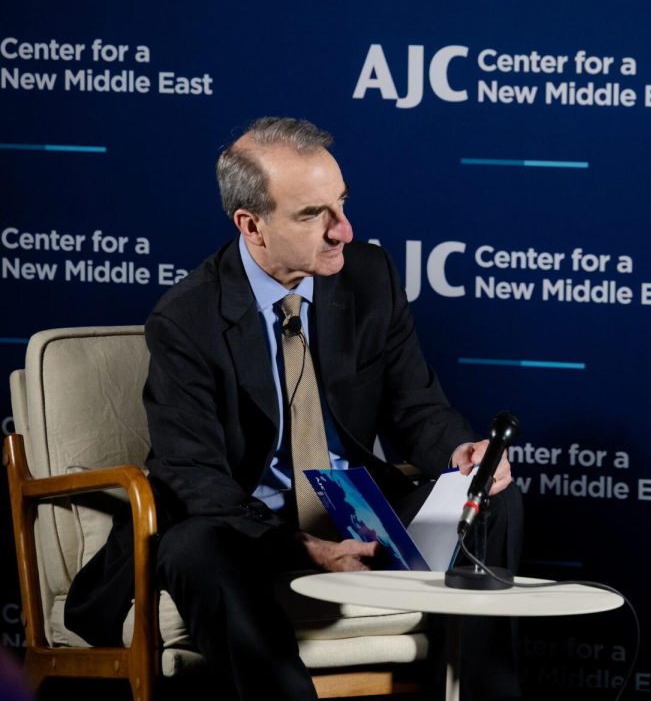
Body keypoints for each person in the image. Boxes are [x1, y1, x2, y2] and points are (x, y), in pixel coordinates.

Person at [64, 117, 522, 700]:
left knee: (492, 499)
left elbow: (417, 408)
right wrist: (302, 548)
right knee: (193, 546)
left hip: (354, 511)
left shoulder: (370, 278)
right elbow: (192, 478)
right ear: (251, 225)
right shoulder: (186, 320)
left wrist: (461, 453)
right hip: (245, 526)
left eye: (342, 204)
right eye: (313, 215)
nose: (343, 231)